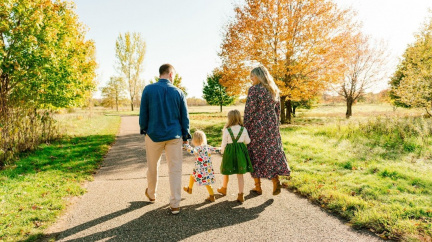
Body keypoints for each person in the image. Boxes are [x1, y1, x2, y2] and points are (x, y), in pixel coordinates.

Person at [139, 64, 191, 215]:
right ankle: (175, 203)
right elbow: (184, 117)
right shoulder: (179, 92)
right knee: (175, 169)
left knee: (152, 166)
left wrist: (145, 129)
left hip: (153, 134)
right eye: (173, 75)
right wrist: (185, 135)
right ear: (170, 74)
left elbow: (143, 114)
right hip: (174, 136)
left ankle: (151, 194)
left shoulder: (148, 90)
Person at [244, 65, 291, 196]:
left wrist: (245, 126)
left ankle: (258, 187)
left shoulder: (254, 90)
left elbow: (250, 110)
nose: (251, 79)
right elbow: (278, 110)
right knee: (271, 153)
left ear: (259, 76)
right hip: (271, 126)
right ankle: (275, 181)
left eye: (252, 76)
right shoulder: (273, 90)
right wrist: (276, 125)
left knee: (255, 153)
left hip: (256, 127)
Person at [217, 109, 253, 203]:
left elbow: (224, 143)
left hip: (229, 153)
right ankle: (241, 195)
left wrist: (222, 152)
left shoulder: (227, 130)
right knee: (240, 175)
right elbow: (248, 141)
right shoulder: (243, 129)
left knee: (226, 171)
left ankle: (224, 188)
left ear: (229, 119)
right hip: (240, 153)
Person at [182, 130, 220, 202]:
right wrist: (223, 148)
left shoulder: (197, 148)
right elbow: (216, 149)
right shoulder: (207, 147)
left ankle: (190, 189)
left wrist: (186, 145)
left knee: (196, 178)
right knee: (203, 181)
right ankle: (211, 196)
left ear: (194, 140)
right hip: (207, 169)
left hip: (200, 169)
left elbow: (192, 151)